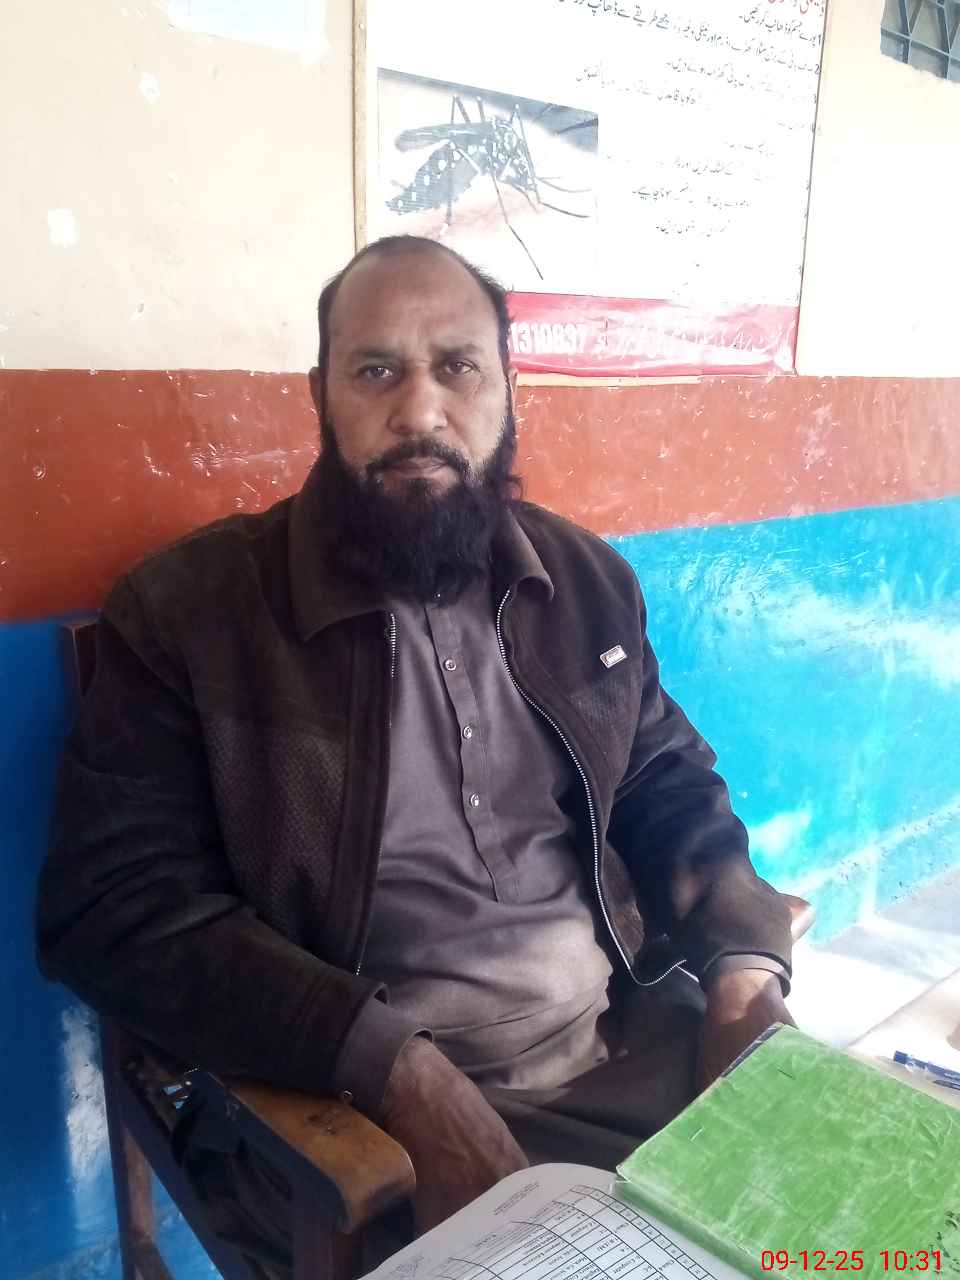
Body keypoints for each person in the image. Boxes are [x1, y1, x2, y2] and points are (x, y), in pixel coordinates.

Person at [36, 235, 794, 1274]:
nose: (421, 411)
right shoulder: (193, 615)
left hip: (633, 1046)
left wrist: (743, 973)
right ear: (320, 393)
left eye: (458, 366)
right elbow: (111, 910)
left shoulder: (584, 581)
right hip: (359, 1129)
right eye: (376, 370)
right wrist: (397, 1069)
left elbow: (668, 784)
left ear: (508, 388)